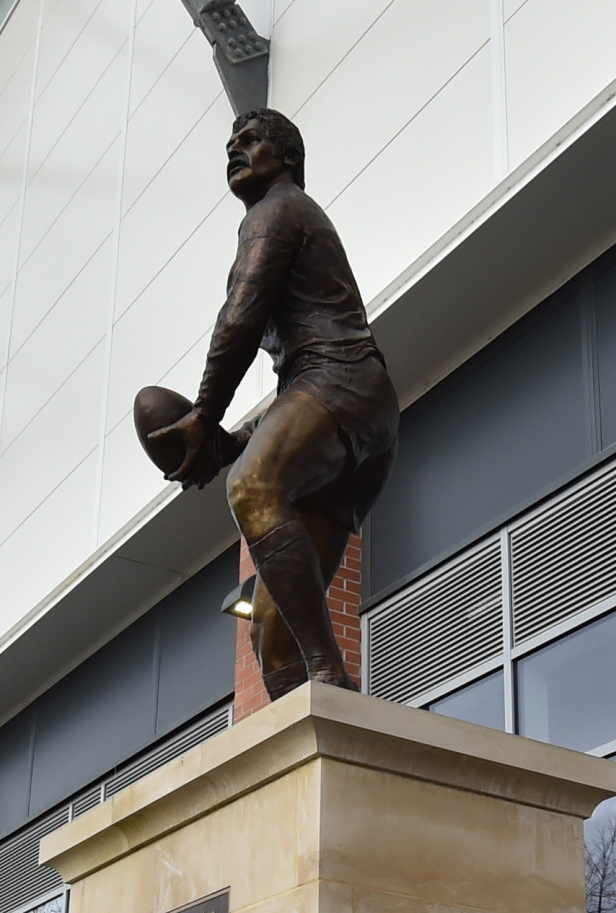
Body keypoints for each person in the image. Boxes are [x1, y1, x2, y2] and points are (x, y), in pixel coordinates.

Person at [133, 107, 396, 700]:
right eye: (230, 143)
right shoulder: (284, 216)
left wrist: (204, 416)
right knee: (272, 640)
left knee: (251, 490)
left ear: (288, 158)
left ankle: (331, 672)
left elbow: (240, 319)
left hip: (342, 383)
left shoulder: (276, 210)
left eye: (249, 140)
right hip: (354, 412)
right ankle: (309, 742)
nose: (235, 149)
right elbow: (288, 390)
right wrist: (232, 439)